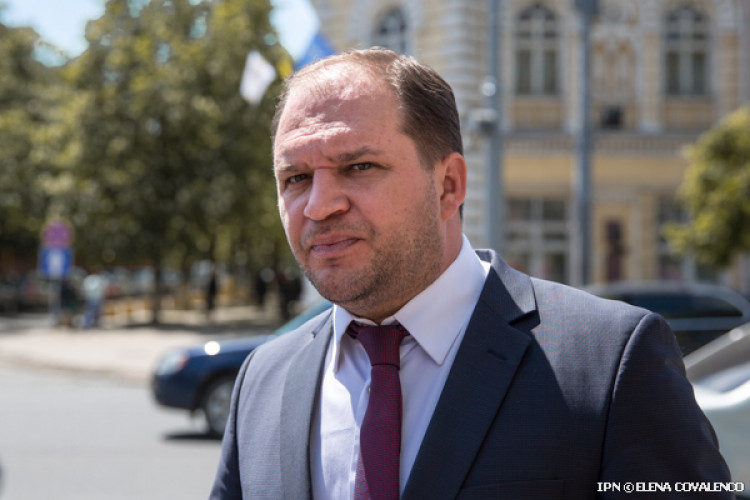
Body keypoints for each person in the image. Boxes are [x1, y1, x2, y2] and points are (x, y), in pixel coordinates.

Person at [210, 48, 731, 499]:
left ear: (448, 185)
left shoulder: (611, 361)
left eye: (359, 167)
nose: (319, 205)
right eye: (295, 178)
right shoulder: (264, 379)